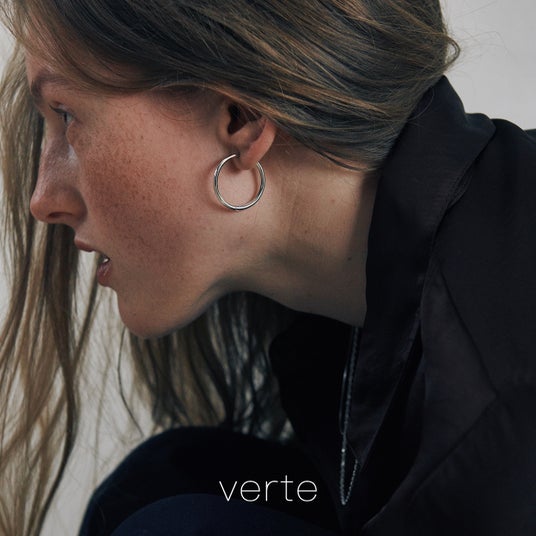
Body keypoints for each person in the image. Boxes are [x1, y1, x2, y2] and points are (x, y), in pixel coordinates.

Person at [0, 1, 535, 535]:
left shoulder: (496, 420)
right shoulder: (351, 327)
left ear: (242, 118)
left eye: (66, 115)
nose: (43, 201)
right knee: (168, 483)